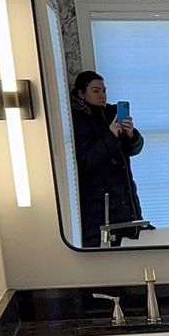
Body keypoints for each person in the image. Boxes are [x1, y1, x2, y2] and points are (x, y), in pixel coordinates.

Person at [70, 70, 145, 246]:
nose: (102, 95)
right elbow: (86, 159)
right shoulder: (77, 121)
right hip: (98, 203)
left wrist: (131, 134)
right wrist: (111, 135)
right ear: (81, 93)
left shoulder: (112, 113)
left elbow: (135, 148)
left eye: (104, 91)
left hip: (126, 197)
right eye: (96, 91)